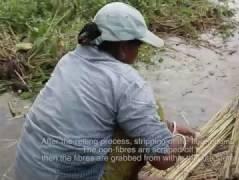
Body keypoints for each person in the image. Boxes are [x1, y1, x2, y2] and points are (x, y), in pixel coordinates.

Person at [15, 2, 197, 180]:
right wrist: (180, 143)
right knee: (149, 113)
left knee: (128, 115)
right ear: (125, 47)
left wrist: (168, 128)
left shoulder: (68, 60)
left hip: (26, 171)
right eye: (138, 46)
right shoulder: (129, 83)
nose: (138, 52)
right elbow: (162, 159)